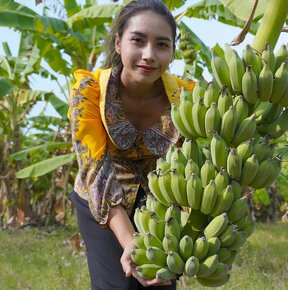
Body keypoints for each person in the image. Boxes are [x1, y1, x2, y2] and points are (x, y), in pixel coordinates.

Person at [68, 0, 193, 289]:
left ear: (172, 52)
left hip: (159, 202)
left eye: (162, 45)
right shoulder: (90, 92)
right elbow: (96, 170)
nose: (149, 55)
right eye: (138, 40)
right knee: (117, 285)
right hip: (101, 199)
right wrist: (129, 241)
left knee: (159, 282)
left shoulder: (188, 100)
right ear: (118, 42)